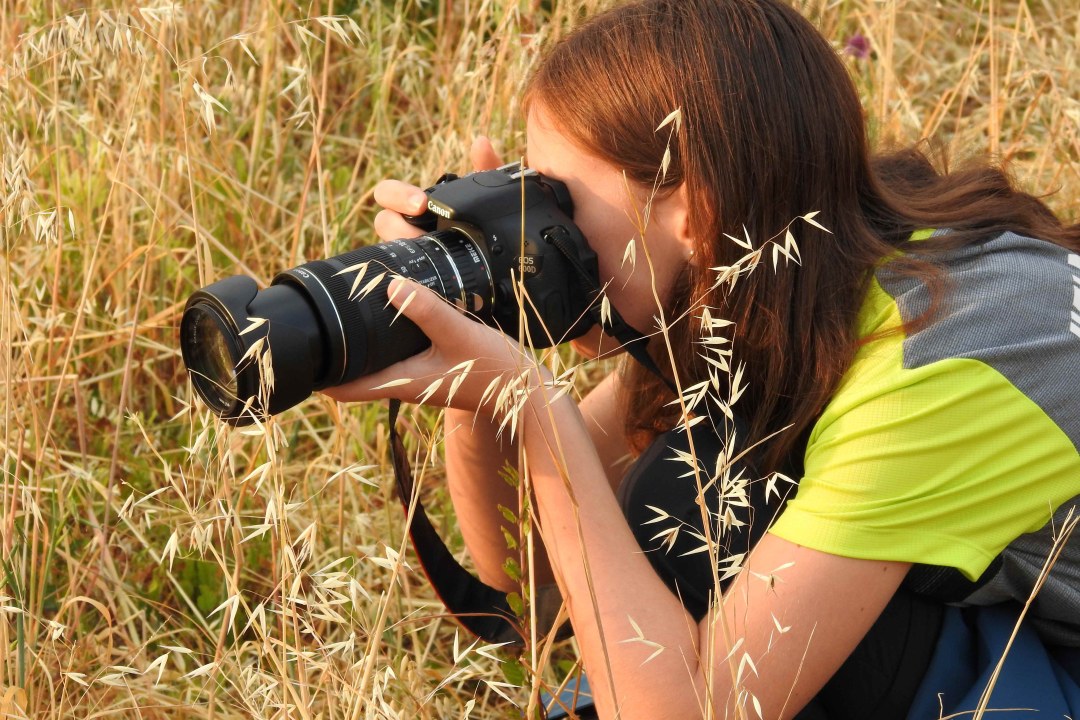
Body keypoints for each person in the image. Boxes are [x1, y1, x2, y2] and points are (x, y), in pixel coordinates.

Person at [325, 0, 1080, 717]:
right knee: (682, 495)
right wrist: (475, 365)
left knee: (696, 513)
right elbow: (535, 593)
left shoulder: (931, 370)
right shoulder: (796, 270)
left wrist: (536, 408)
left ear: (697, 214)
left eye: (561, 201)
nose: (542, 229)